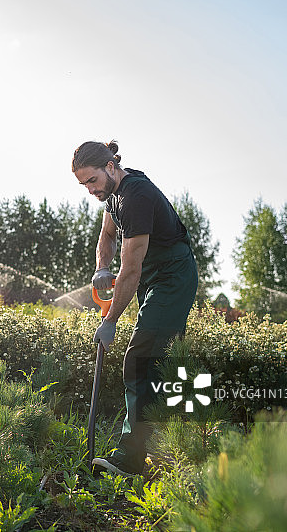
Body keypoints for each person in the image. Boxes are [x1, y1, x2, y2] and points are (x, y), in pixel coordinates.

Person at [72, 140, 198, 477]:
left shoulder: (135, 197)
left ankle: (130, 460)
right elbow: (108, 235)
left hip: (171, 276)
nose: (89, 189)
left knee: (139, 360)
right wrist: (101, 267)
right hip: (154, 278)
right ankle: (178, 448)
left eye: (92, 181)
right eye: (83, 184)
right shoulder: (112, 196)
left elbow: (130, 270)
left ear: (110, 167)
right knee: (160, 361)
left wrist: (111, 319)